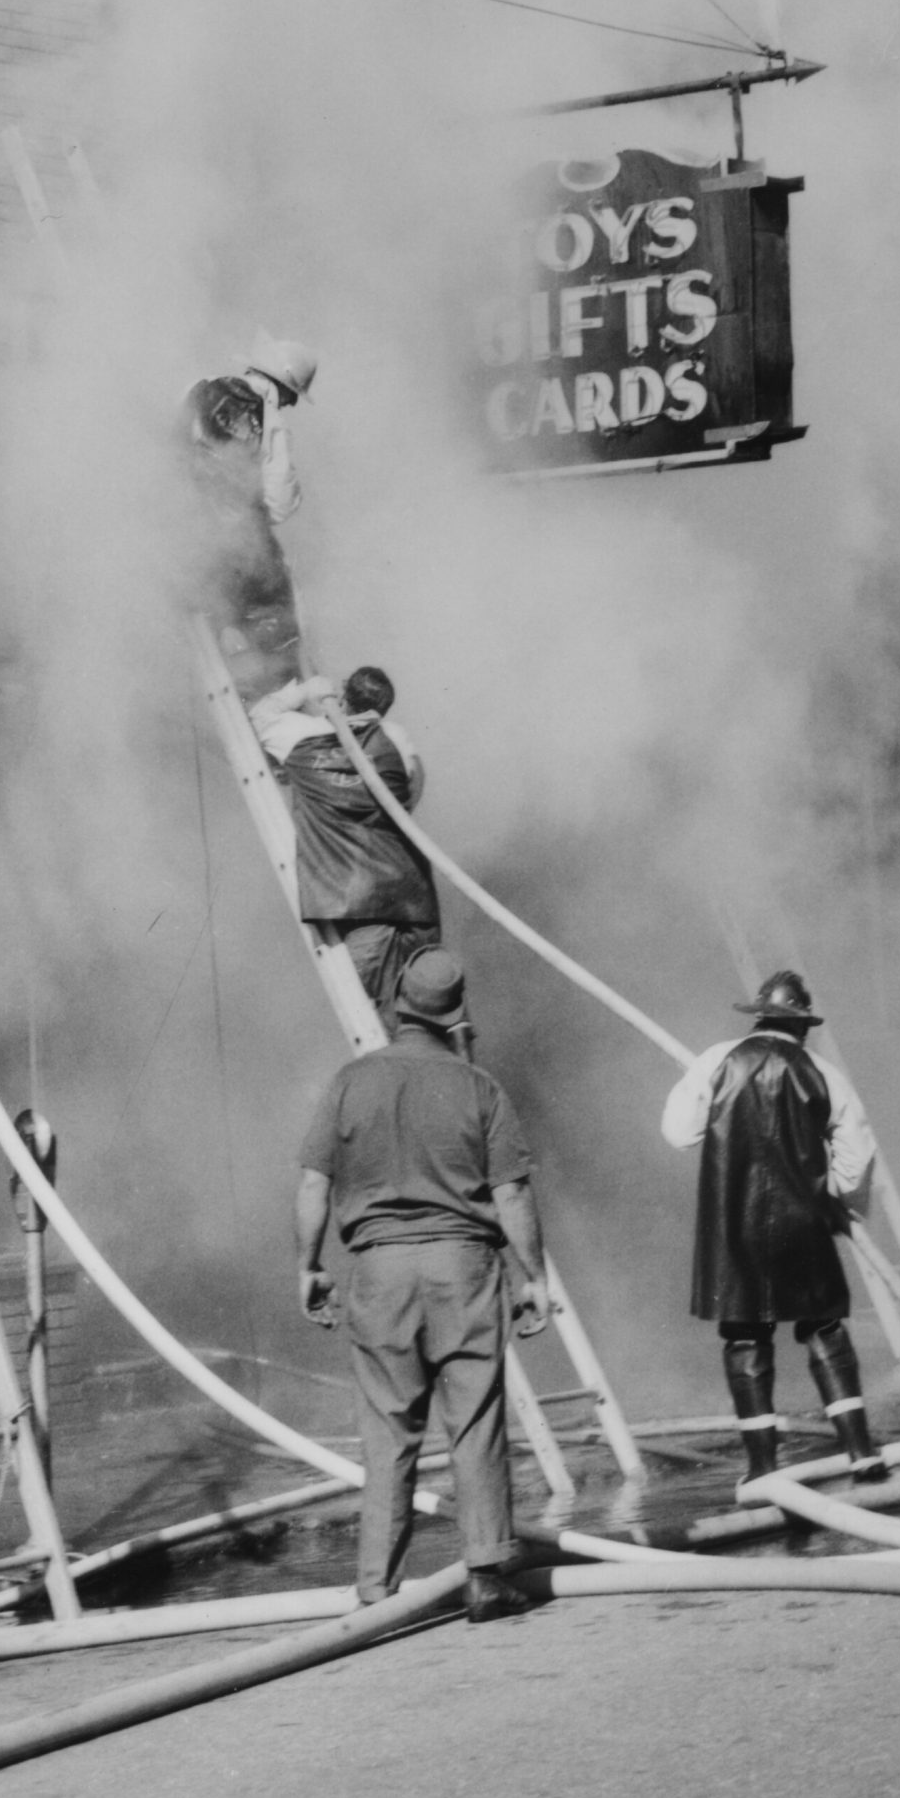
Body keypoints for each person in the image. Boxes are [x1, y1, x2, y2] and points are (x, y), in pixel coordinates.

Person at [296, 946, 550, 1622]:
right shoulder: (479, 1088)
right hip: (462, 1268)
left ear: (398, 1005)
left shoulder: (351, 1082)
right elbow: (513, 1193)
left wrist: (309, 1266)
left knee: (387, 1433)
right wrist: (534, 1278)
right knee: (475, 1423)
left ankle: (377, 1591)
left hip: (377, 1271)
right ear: (455, 1016)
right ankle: (487, 1575)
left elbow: (314, 1183)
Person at [662, 967, 884, 1487]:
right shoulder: (822, 1072)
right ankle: (860, 1451)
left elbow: (678, 1132)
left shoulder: (717, 1061)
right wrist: (846, 1205)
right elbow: (857, 1155)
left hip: (731, 1223)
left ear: (760, 1016)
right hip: (803, 1223)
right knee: (823, 1326)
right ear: (802, 1025)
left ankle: (762, 1467)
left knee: (745, 1336)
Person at [269, 666, 442, 1021]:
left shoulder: (301, 739)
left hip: (359, 907)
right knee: (434, 1011)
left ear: (343, 697)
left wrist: (305, 692)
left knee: (380, 1023)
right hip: (415, 902)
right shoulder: (397, 740)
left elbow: (261, 716)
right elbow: (412, 786)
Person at [177, 336, 316, 712]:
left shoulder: (196, 390)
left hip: (177, 536)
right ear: (286, 389)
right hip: (235, 547)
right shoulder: (271, 421)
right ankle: (271, 705)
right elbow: (280, 502)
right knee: (277, 628)